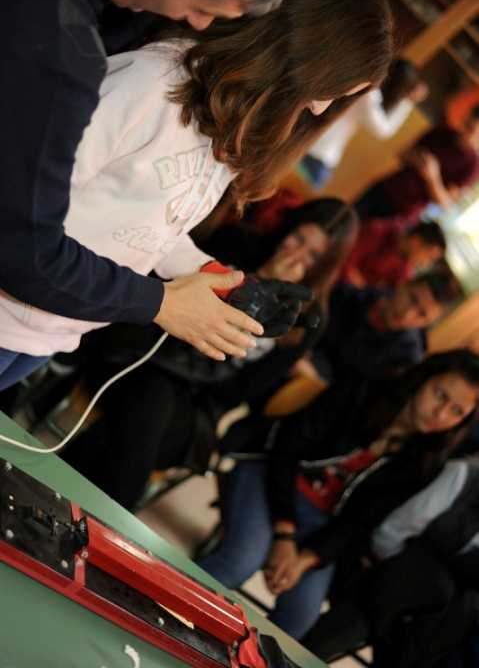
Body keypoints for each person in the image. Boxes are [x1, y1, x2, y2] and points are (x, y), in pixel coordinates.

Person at [0, 0, 299, 387]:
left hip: (55, 322)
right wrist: (160, 303)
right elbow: (24, 238)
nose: (199, 25)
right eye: (201, 8)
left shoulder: (83, 14)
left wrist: (212, 277)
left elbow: (153, 227)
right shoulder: (90, 56)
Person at [60, 198, 358, 510]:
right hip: (142, 356)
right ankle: (103, 517)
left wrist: (248, 328)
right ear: (289, 227)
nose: (296, 254)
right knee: (147, 409)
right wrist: (256, 281)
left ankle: (68, 499)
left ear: (324, 267)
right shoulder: (236, 243)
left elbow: (240, 391)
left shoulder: (308, 317)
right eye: (298, 238)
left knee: (142, 421)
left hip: (197, 404)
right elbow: (164, 299)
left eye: (312, 255)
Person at [197, 350, 479, 639]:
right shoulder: (361, 390)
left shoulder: (425, 462)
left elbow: (360, 523)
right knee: (240, 561)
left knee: (299, 618)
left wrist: (305, 559)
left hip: (322, 522)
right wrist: (284, 534)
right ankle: (164, 613)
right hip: (271, 479)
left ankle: (226, 656)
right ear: (422, 378)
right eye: (440, 395)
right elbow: (285, 453)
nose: (441, 414)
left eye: (457, 412)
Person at [304, 457, 479, 667]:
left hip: (432, 623)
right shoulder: (464, 475)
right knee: (422, 581)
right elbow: (391, 533)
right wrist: (385, 568)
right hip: (380, 575)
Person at [303, 269, 463, 385]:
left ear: (427, 324)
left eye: (422, 315)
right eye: (412, 299)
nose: (407, 314)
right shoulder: (348, 295)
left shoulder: (404, 359)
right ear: (403, 284)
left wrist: (315, 378)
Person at [300, 58, 428, 189]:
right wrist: (408, 101)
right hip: (316, 153)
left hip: (312, 146)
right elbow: (384, 130)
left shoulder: (364, 82)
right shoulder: (369, 93)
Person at [355, 105, 479, 222]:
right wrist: (417, 160)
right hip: (386, 187)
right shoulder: (441, 131)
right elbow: (403, 153)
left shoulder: (473, 166)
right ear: (466, 118)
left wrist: (432, 177)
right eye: (468, 126)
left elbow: (445, 203)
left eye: (474, 132)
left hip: (403, 211)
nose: (467, 134)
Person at [341, 219, 447, 289]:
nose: (426, 263)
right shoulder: (379, 230)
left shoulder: (404, 271)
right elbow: (343, 259)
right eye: (429, 257)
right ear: (416, 241)